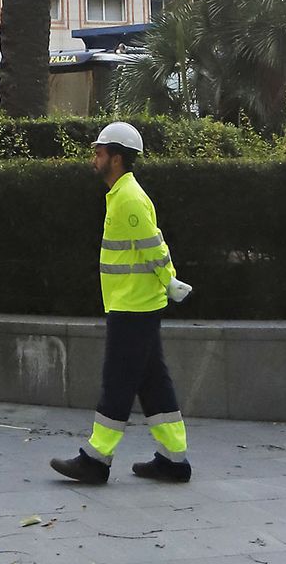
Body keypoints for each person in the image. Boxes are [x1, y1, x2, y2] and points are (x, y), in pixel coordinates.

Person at [50, 121, 191, 487]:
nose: (93, 159)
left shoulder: (128, 198)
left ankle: (96, 459)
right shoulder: (122, 194)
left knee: (117, 383)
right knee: (154, 384)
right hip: (134, 303)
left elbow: (153, 246)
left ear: (116, 158)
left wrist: (170, 280)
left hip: (133, 306)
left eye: (99, 153)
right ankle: (174, 460)